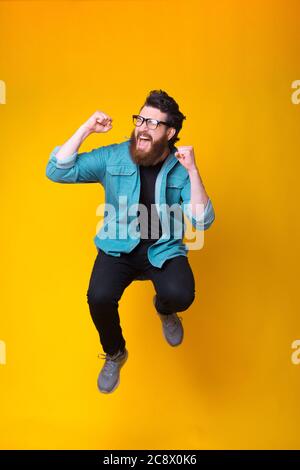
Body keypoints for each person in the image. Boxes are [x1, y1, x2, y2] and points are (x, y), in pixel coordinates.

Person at [46, 89, 215, 394]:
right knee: (98, 298)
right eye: (140, 119)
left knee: (181, 295)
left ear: (170, 132)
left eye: (153, 123)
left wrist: (192, 170)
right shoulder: (113, 156)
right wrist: (86, 129)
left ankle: (164, 309)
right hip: (117, 247)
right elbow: (57, 170)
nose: (143, 128)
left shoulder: (179, 167)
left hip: (162, 249)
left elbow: (202, 220)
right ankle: (115, 353)